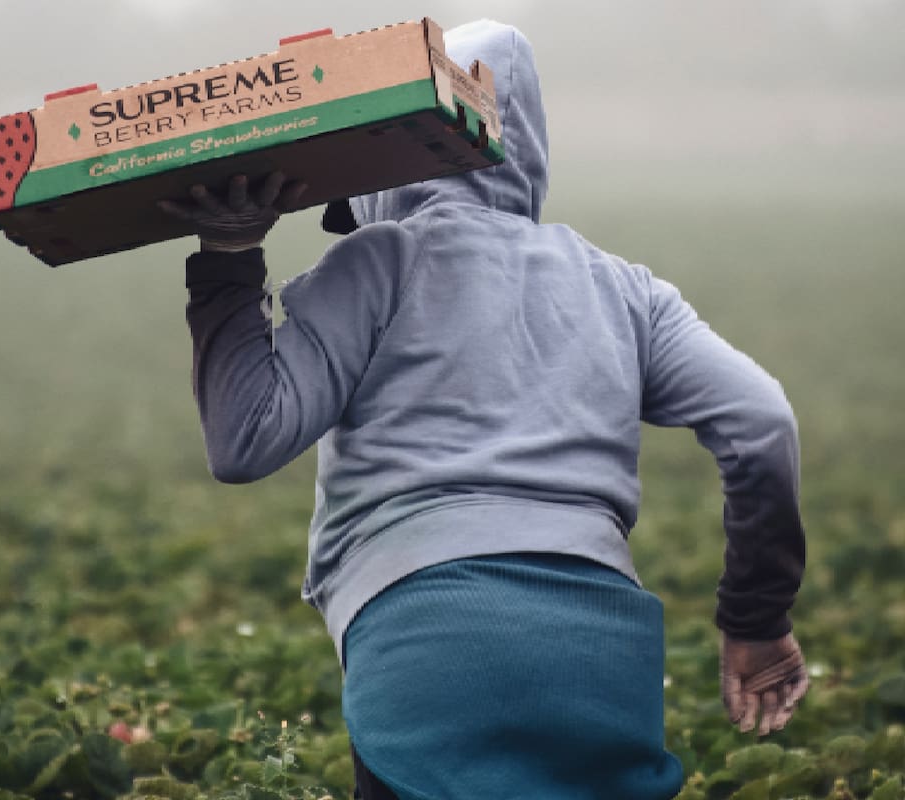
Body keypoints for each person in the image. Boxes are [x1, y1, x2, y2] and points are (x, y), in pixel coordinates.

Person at [160, 20, 808, 800]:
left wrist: (228, 263)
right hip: (603, 653)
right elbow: (762, 422)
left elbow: (243, 440)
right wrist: (755, 617)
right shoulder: (627, 290)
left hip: (426, 645)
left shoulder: (378, 261)